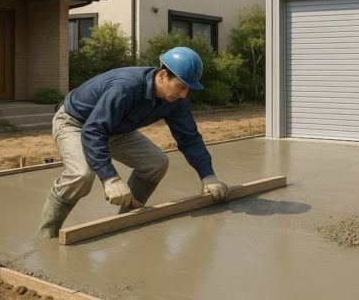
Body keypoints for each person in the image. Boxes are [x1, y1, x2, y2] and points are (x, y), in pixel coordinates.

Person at [37, 46, 228, 239]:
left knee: (156, 163)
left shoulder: (177, 101)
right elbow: (93, 131)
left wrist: (208, 175)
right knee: (82, 175)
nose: (184, 94)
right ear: (162, 76)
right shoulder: (127, 87)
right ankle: (47, 235)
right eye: (181, 87)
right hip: (76, 123)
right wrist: (110, 178)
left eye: (188, 89)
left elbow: (189, 137)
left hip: (114, 128)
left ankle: (125, 221)